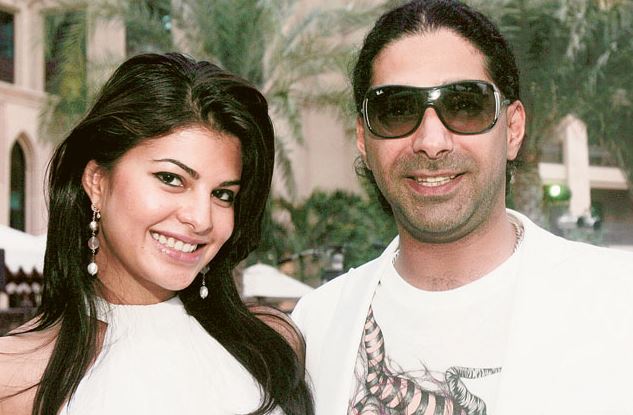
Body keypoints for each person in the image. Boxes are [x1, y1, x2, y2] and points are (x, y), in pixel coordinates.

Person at [292, 1, 633, 414]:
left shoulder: (618, 302)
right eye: (396, 110)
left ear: (513, 129)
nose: (431, 142)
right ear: (363, 140)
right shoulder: (317, 326)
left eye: (465, 105)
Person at [0, 52, 313, 415]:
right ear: (97, 181)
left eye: (223, 194)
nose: (201, 219)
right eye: (171, 179)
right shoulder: (16, 376)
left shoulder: (272, 344)